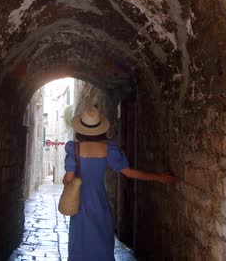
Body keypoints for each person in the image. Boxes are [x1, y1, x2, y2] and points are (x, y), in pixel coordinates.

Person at [62, 106, 176, 261]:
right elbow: (129, 172)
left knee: (80, 245)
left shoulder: (73, 149)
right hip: (100, 204)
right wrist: (158, 177)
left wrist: (71, 178)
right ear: (100, 129)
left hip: (80, 206)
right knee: (101, 244)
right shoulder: (108, 149)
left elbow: (68, 180)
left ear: (80, 130)